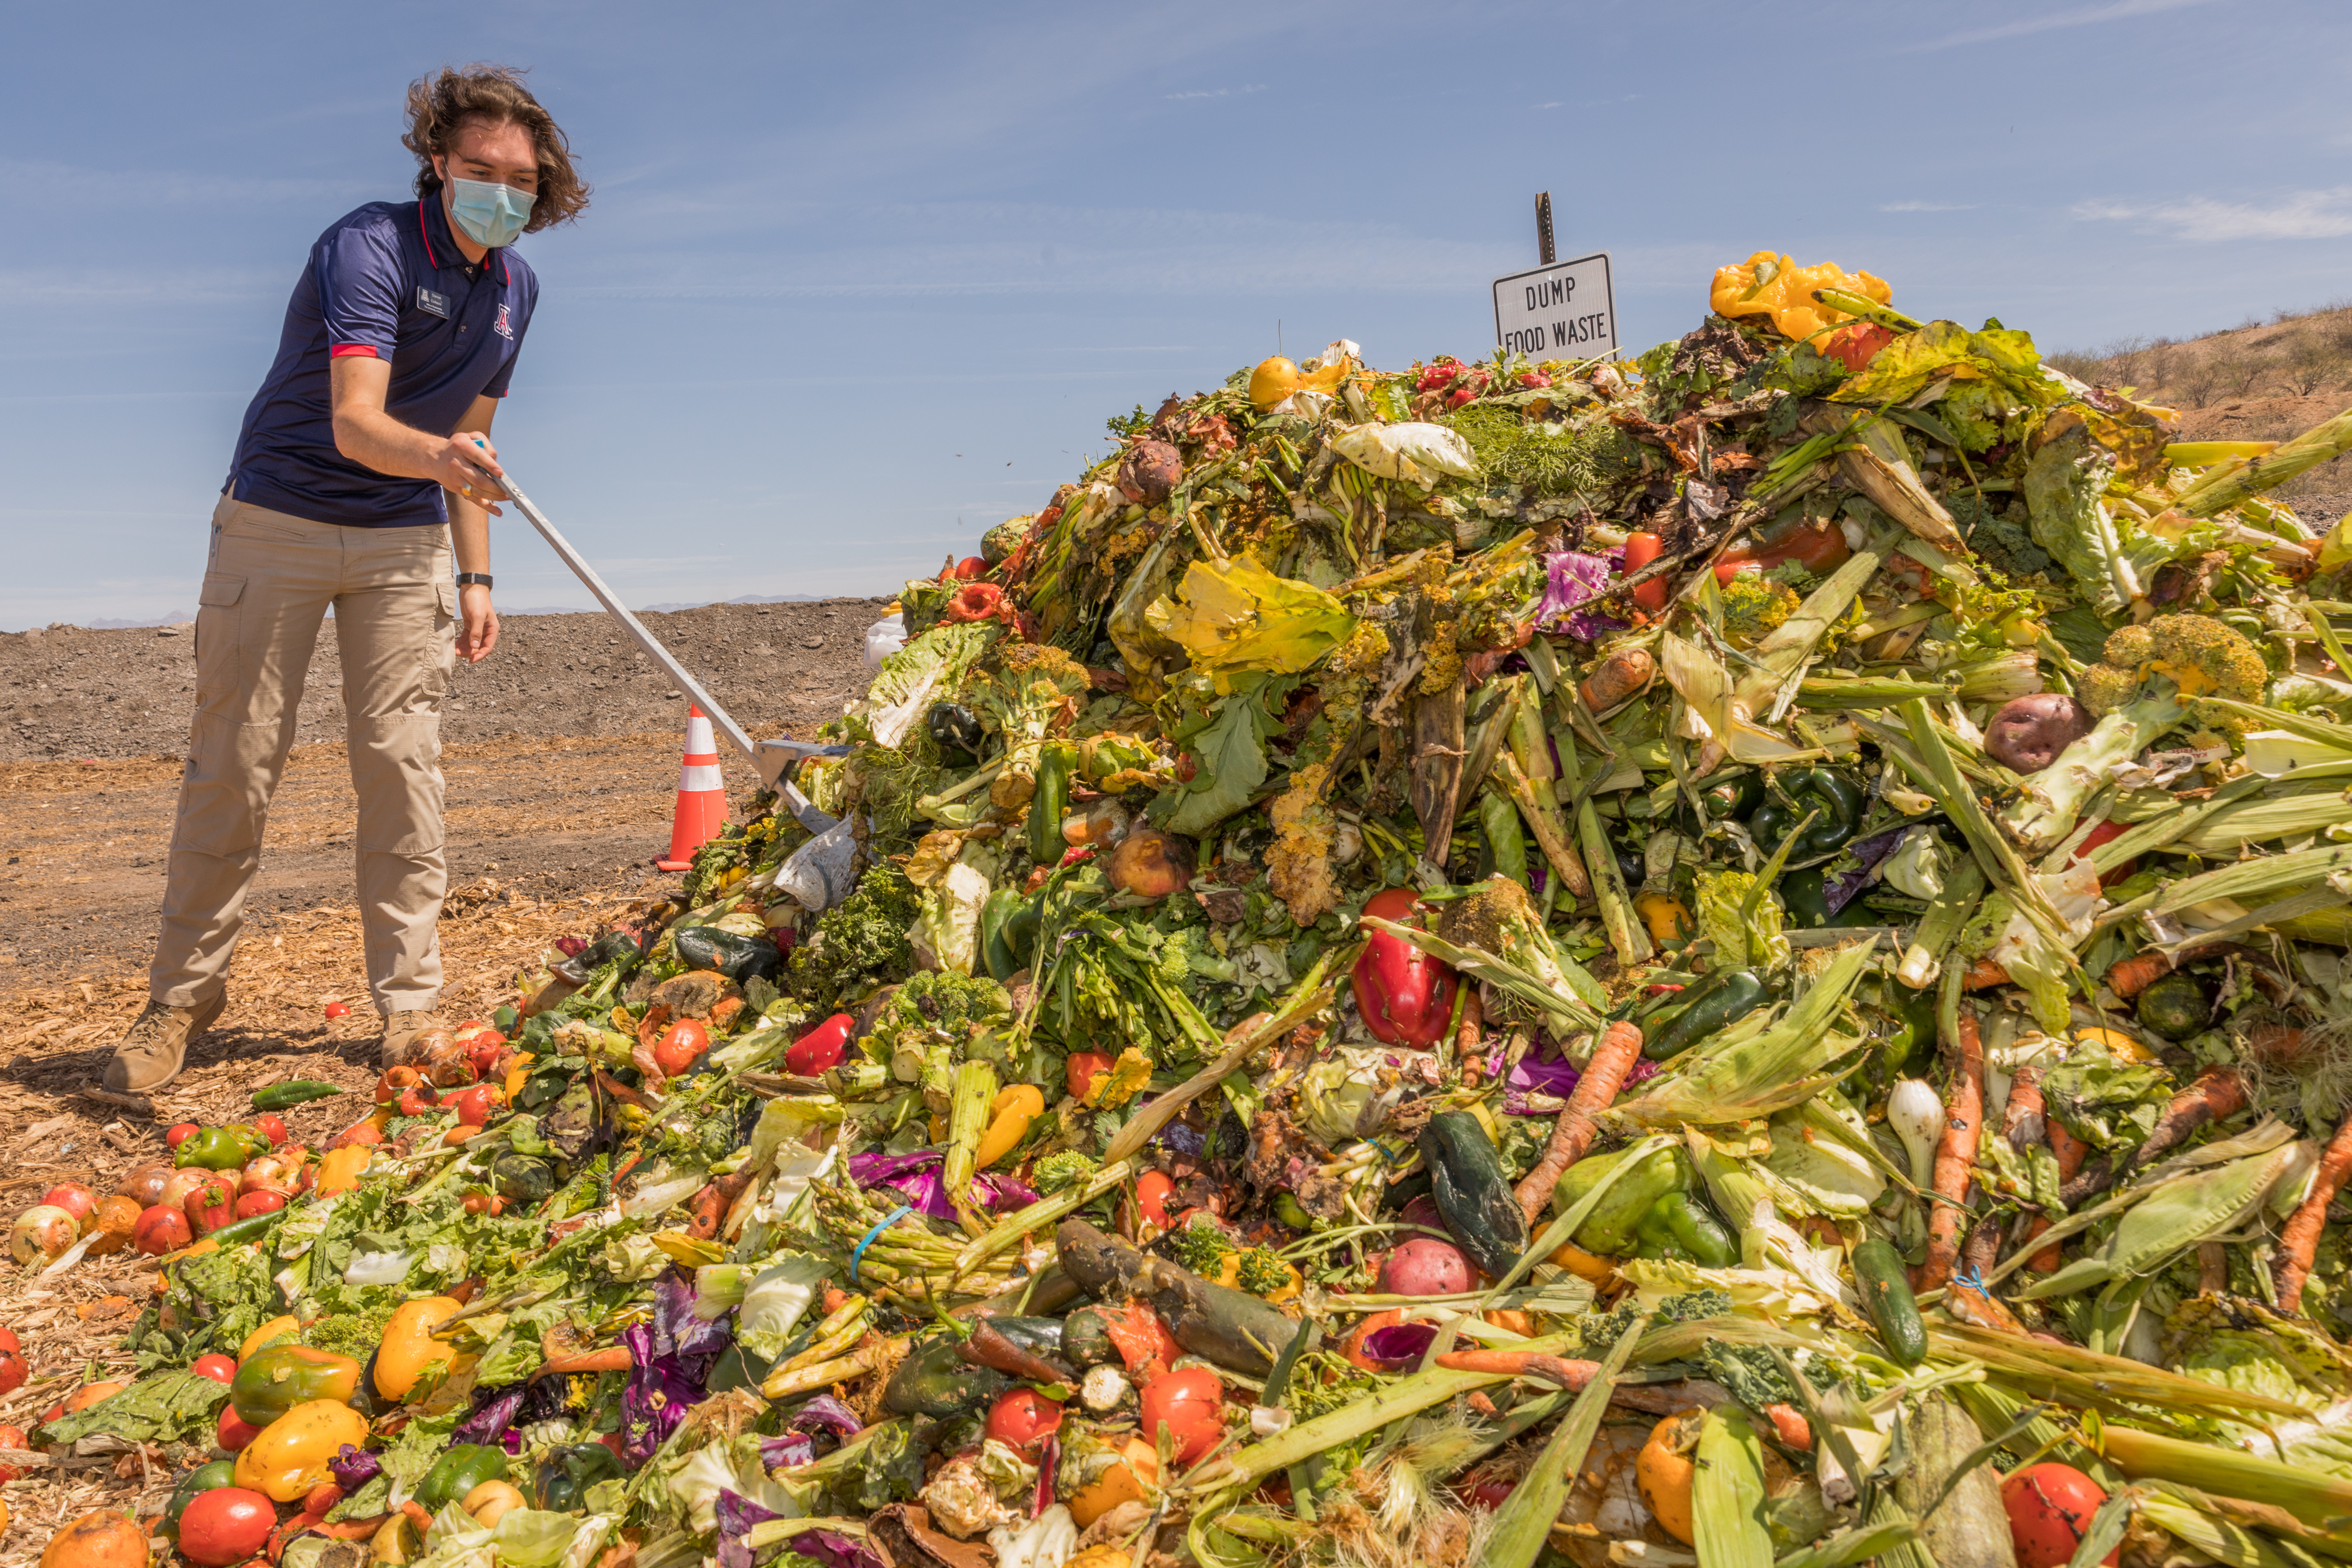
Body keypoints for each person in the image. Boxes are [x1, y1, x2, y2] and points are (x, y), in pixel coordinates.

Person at [104, 65, 590, 1093]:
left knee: (403, 770)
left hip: (402, 540)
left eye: (519, 177)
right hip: (276, 519)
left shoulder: (516, 289)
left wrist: (476, 576)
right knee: (235, 765)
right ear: (436, 164)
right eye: (479, 170)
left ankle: (410, 1008)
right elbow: (357, 422)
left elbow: (473, 442)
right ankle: (180, 1003)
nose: (501, 191)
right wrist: (446, 463)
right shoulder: (365, 246)